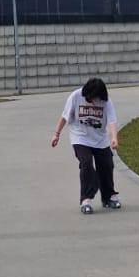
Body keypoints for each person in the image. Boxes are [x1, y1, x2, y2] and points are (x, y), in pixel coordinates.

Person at [52, 76, 120, 214]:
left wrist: (114, 138)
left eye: (96, 98)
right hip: (80, 137)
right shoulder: (76, 96)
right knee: (86, 163)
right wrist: (56, 134)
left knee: (107, 164)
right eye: (91, 98)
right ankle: (86, 199)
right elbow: (65, 116)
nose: (94, 101)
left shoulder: (106, 101)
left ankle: (108, 197)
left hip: (100, 139)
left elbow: (112, 120)